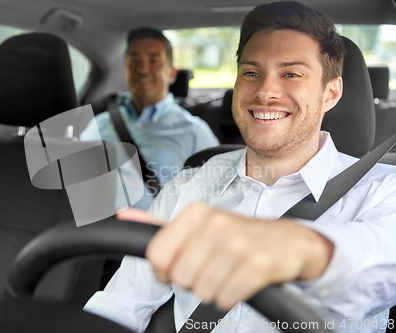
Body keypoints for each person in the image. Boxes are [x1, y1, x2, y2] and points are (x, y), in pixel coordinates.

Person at [84, 2, 396, 333]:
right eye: (251, 73)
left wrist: (299, 248)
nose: (265, 91)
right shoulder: (188, 185)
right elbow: (121, 304)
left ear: (330, 94)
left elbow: (380, 262)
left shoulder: (383, 191)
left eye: (291, 74)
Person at [79, 27, 219, 211]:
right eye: (135, 61)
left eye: (154, 60)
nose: (143, 69)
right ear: (126, 69)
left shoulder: (194, 132)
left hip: (154, 236)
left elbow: (216, 199)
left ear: (172, 73)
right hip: (91, 234)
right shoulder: (99, 124)